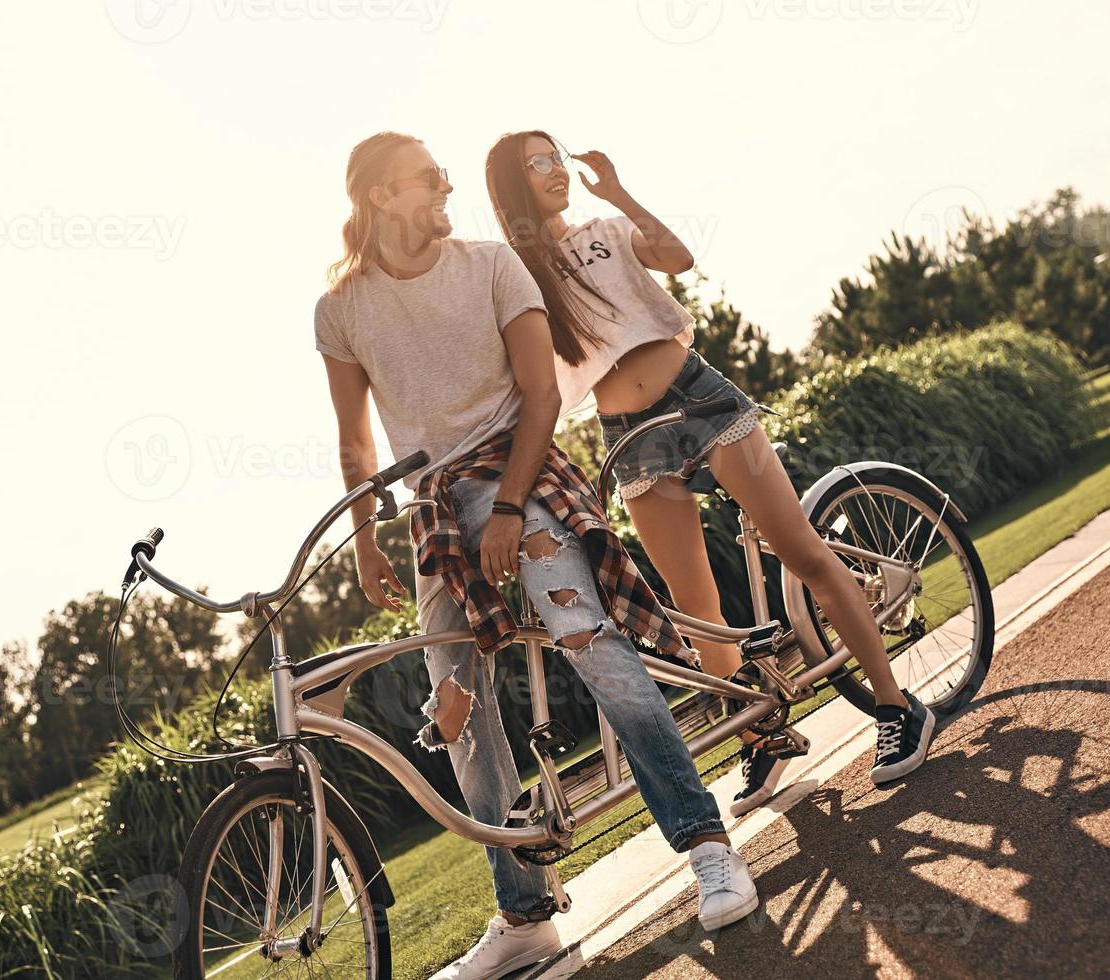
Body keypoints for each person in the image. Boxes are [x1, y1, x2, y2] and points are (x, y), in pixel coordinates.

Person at [315, 131, 756, 979]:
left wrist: (511, 507)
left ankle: (706, 847)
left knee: (591, 643)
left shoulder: (488, 266)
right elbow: (354, 439)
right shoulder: (340, 309)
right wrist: (368, 535)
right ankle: (525, 914)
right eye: (427, 178)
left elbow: (543, 392)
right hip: (435, 510)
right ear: (380, 197)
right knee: (458, 711)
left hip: (522, 473)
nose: (445, 188)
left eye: (446, 176)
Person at [484, 130, 938, 818]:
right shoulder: (518, 279)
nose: (554, 170)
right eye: (536, 164)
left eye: (555, 157)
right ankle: (763, 734)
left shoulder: (605, 227)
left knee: (802, 550)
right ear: (512, 186)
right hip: (630, 438)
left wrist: (617, 192)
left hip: (699, 400)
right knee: (695, 605)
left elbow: (678, 256)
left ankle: (896, 706)